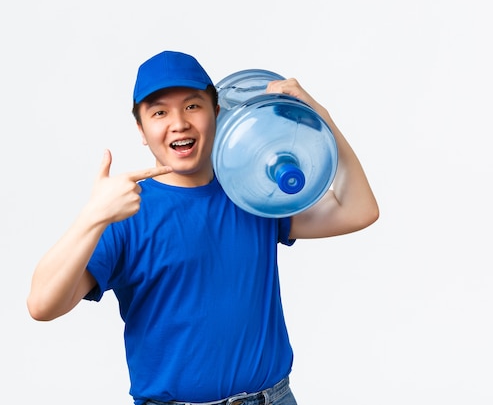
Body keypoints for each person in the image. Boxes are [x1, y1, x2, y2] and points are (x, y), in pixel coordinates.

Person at [27, 50, 379, 405]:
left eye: (193, 106)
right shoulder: (124, 211)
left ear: (216, 113)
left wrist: (322, 118)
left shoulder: (252, 192)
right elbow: (43, 305)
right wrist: (92, 217)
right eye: (159, 112)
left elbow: (359, 210)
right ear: (141, 130)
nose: (178, 123)